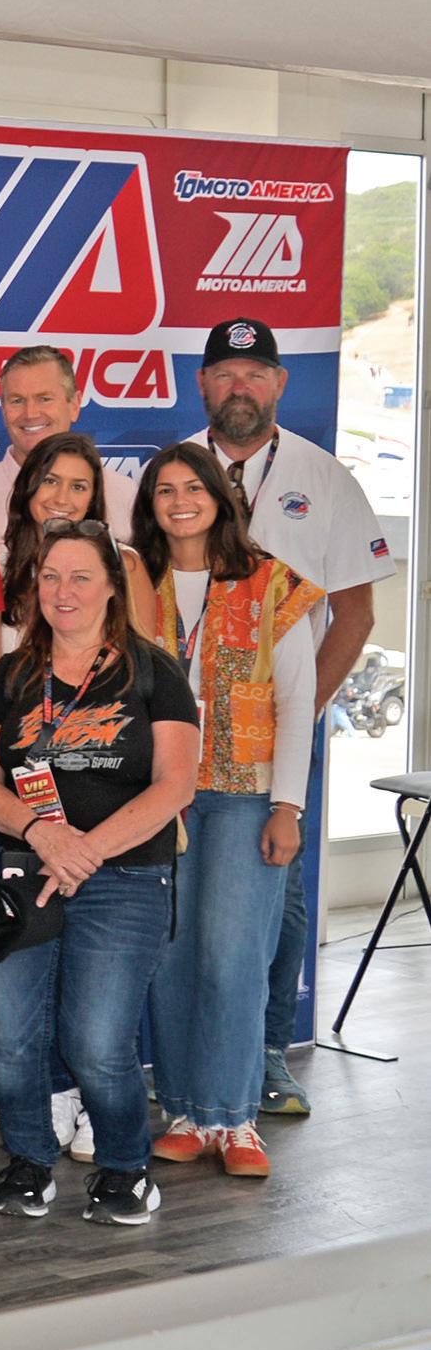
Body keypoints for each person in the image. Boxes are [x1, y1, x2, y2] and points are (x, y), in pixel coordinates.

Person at [189, 318, 395, 1119]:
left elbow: (356, 614)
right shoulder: (175, 472)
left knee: (276, 889)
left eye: (255, 373)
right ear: (203, 384)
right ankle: (188, 1058)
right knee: (183, 895)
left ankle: (270, 1048)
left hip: (276, 722)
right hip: (181, 730)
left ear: (279, 383)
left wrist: (299, 717)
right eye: (224, 373)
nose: (239, 387)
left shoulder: (324, 476)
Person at [0, 521, 196, 1226]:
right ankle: (29, 1161)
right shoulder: (9, 677)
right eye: (49, 577)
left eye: (80, 577)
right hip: (21, 873)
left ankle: (125, 1169)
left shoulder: (155, 673)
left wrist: (84, 851)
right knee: (11, 1039)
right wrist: (41, 834)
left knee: (96, 1044)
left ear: (111, 588)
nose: (62, 592)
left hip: (125, 878)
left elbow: (175, 785)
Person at [133, 441, 320, 1177]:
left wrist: (289, 805)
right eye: (165, 490)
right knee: (172, 959)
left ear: (220, 497)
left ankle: (235, 1119)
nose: (180, 501)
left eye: (193, 487)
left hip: (246, 795)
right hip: (157, 797)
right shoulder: (133, 583)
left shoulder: (271, 583)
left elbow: (298, 699)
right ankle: (185, 1112)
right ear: (150, 505)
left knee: (232, 959)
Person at [0, 344, 137, 538]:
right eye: (17, 400)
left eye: (44, 399)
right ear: (3, 410)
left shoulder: (125, 495)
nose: (31, 413)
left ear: (74, 405)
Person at [0, 433, 158, 642]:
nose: (62, 499)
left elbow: (147, 655)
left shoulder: (123, 564)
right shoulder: (2, 569)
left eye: (78, 487)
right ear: (27, 487)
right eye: (50, 481)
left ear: (92, 498)